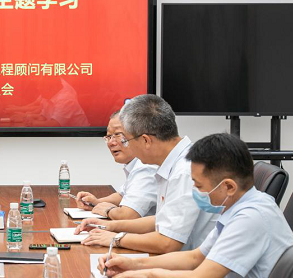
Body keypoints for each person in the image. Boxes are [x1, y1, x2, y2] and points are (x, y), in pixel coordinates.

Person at [98, 133, 293, 278]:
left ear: (228, 187)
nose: (194, 190)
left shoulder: (250, 217)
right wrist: (132, 264)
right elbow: (195, 258)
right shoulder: (236, 208)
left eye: (199, 185)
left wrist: (148, 274)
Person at [76, 94, 217, 253]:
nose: (125, 146)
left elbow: (168, 242)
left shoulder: (185, 171)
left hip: (193, 265)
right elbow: (162, 219)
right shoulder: (173, 162)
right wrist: (110, 226)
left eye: (126, 140)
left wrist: (116, 239)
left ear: (146, 140)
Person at [75, 110, 158, 222]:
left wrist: (108, 210)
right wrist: (97, 202)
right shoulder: (136, 164)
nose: (111, 143)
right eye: (109, 136)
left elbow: (127, 216)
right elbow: (123, 195)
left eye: (118, 135)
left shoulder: (147, 167)